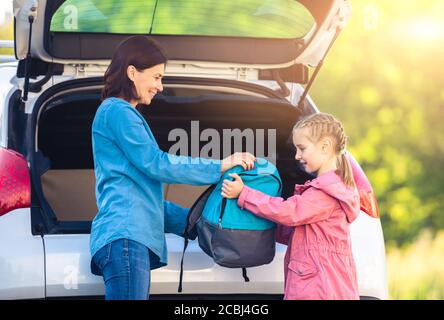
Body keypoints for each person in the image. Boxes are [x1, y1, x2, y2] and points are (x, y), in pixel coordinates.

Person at [90, 35, 256, 300]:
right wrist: (221, 165)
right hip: (125, 240)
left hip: (126, 239)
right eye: (156, 77)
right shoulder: (117, 111)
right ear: (132, 72)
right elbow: (157, 163)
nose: (161, 86)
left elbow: (148, 201)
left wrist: (199, 223)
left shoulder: (119, 114)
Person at [221, 113, 360, 300]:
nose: (296, 156)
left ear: (325, 147)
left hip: (318, 290)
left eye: (302, 148)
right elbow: (298, 232)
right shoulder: (331, 189)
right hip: (322, 286)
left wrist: (245, 194)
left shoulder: (325, 193)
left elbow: (289, 212)